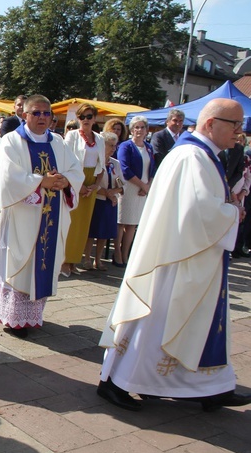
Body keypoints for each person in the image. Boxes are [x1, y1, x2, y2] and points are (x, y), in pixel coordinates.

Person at [97, 98, 250, 412]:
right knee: (156, 323)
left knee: (201, 322)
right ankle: (115, 382)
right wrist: (232, 212)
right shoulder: (191, 157)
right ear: (210, 123)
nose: (240, 132)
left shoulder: (203, 155)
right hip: (174, 261)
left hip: (194, 255)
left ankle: (213, 387)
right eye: (234, 125)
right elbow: (199, 212)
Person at [0, 95, 84, 338]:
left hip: (50, 216)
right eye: (36, 113)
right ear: (24, 115)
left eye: (47, 113)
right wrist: (40, 182)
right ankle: (13, 317)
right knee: (19, 263)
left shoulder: (58, 143)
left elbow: (75, 170)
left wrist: (66, 180)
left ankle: (32, 316)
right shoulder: (12, 142)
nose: (42, 118)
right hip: (20, 217)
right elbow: (7, 179)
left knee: (42, 263)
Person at [61, 103, 105, 276]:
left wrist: (96, 184)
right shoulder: (72, 136)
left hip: (92, 180)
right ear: (77, 118)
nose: (86, 120)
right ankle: (64, 261)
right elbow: (66, 161)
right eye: (82, 117)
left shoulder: (99, 139)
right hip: (75, 180)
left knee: (84, 225)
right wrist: (77, 186)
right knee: (71, 222)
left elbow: (102, 164)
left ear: (94, 118)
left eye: (89, 116)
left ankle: (74, 261)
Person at [114, 116, 155, 267]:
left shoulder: (149, 147)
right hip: (129, 187)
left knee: (132, 224)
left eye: (142, 127)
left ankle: (126, 253)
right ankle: (117, 252)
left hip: (143, 188)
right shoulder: (125, 146)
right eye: (136, 127)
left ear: (146, 130)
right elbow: (124, 169)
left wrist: (148, 185)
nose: (139, 130)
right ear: (131, 130)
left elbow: (152, 168)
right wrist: (142, 185)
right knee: (121, 221)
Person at [85, 132, 123, 270]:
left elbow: (121, 185)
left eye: (115, 146)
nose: (113, 148)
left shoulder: (116, 163)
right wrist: (107, 193)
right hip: (97, 200)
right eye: (110, 145)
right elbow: (92, 182)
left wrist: (114, 192)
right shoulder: (95, 162)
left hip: (110, 202)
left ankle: (98, 260)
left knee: (105, 234)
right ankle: (87, 258)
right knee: (92, 232)